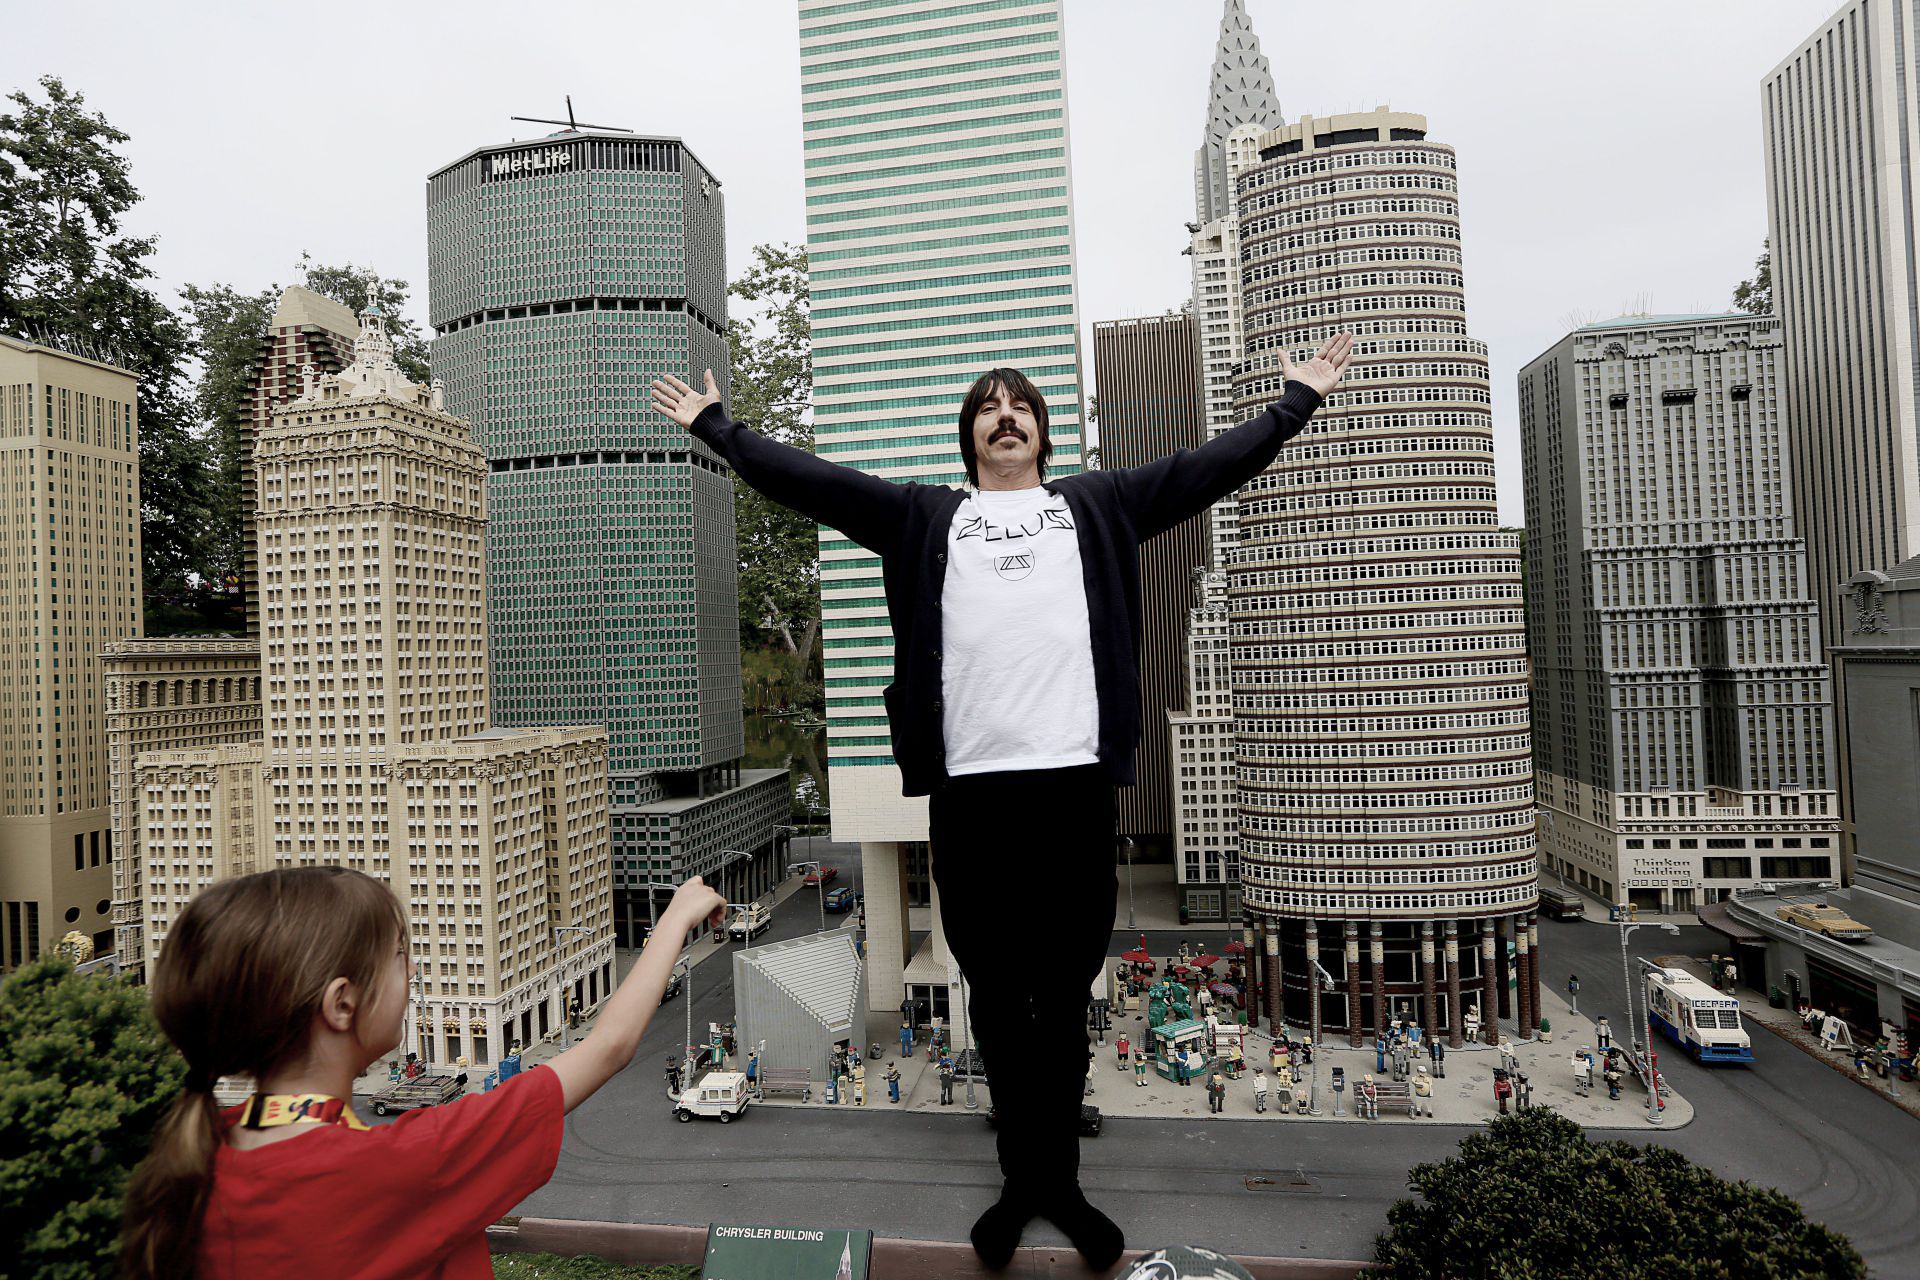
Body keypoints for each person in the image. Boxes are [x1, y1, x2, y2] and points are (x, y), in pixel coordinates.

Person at [652, 336, 1350, 1272]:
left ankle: (1058, 1183)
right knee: (995, 990)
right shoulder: (926, 518)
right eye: (987, 406)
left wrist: (1294, 401)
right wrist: (718, 429)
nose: (1005, 413)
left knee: (1062, 993)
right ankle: (1020, 1181)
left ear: (1043, 433)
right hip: (973, 794)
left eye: (1019, 403)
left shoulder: (1095, 506)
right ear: (970, 435)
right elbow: (815, 481)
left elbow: (1207, 470)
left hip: (1071, 785)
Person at [120, 865, 724, 1280]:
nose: (411, 972)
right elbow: (610, 1045)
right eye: (399, 956)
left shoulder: (200, 1159)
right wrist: (676, 916)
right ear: (341, 1004)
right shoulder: (402, 1166)